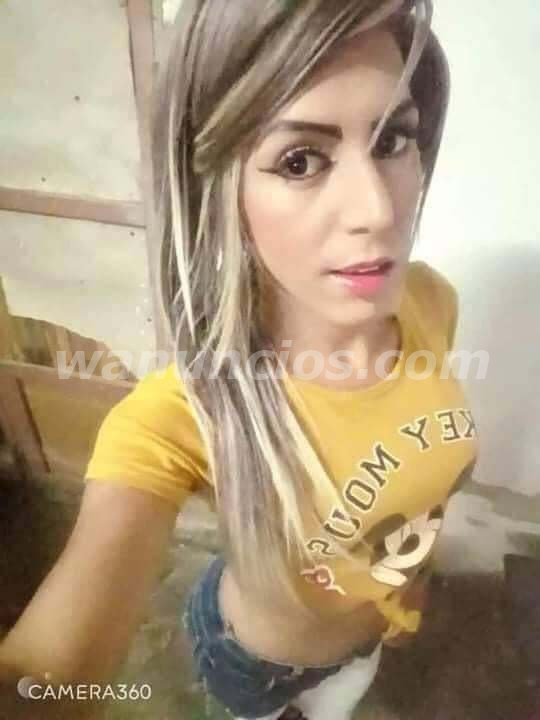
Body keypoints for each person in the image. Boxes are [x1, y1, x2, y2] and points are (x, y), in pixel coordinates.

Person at [0, 1, 479, 718]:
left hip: (372, 642)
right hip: (253, 664)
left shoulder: (430, 300)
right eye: (300, 160)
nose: (378, 210)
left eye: (393, 140)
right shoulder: (179, 415)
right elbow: (49, 670)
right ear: (221, 189)